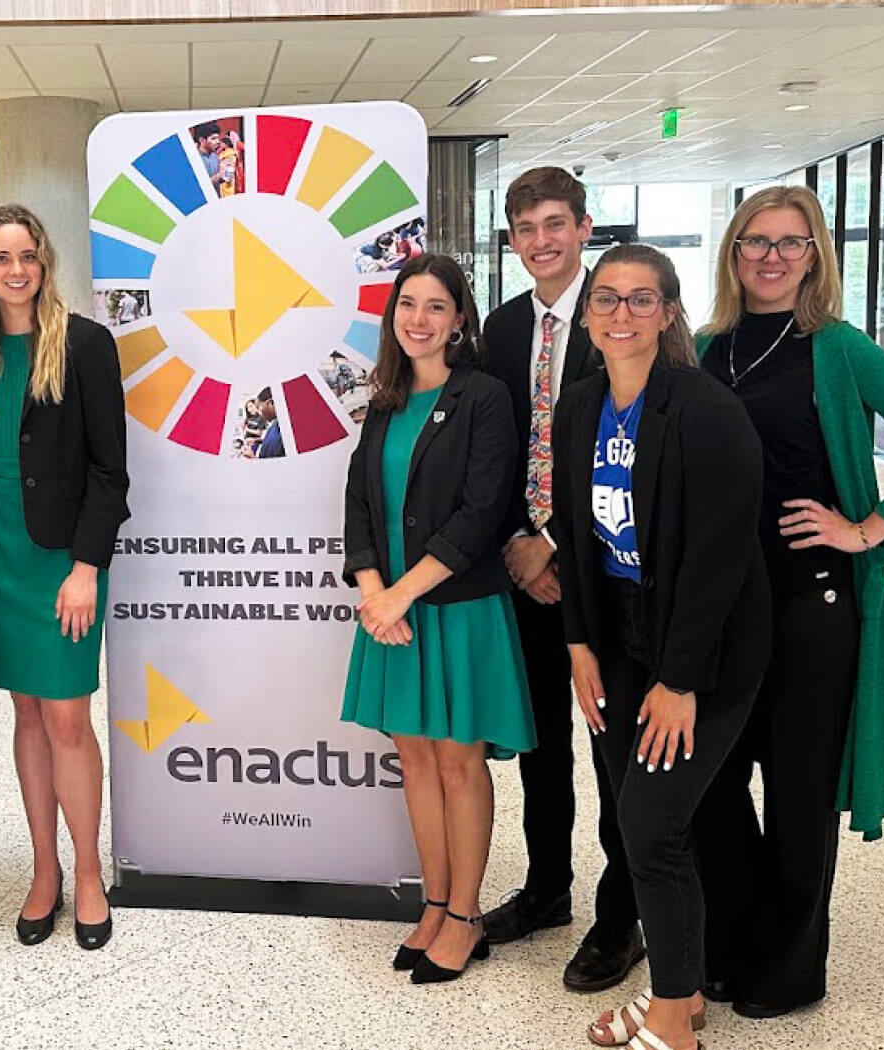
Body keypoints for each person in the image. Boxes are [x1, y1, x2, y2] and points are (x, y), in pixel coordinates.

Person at [692, 186, 884, 1019]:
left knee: (800, 794)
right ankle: (729, 943)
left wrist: (865, 528)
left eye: (791, 242)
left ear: (815, 255)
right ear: (733, 253)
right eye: (755, 242)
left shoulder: (839, 347)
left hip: (810, 605)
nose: (771, 257)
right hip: (719, 609)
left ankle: (785, 971)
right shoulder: (703, 348)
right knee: (709, 786)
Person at [540, 244, 768, 1050]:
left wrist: (679, 681)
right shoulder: (578, 406)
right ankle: (686, 992)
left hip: (702, 647)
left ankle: (674, 1017)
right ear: (589, 314)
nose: (622, 314)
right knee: (634, 819)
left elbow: (720, 559)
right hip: (619, 636)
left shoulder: (705, 411)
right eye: (607, 299)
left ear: (669, 313)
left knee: (651, 823)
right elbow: (572, 533)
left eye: (642, 300)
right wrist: (578, 645)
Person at [339, 254, 533, 985]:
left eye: (435, 306)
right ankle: (435, 900)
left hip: (450, 608)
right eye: (407, 305)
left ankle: (466, 915)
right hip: (389, 611)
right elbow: (359, 501)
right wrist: (370, 587)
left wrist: (399, 595)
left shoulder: (482, 396)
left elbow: (481, 511)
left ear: (460, 319)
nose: (418, 319)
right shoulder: (384, 401)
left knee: (459, 762)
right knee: (414, 759)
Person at [478, 166, 645, 994]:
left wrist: (555, 544)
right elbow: (491, 445)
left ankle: (623, 916)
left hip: (607, 572)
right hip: (524, 575)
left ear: (585, 228)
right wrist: (518, 539)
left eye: (555, 224)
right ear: (512, 243)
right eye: (526, 230)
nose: (541, 241)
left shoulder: (619, 317)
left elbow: (634, 449)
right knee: (540, 745)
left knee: (615, 751)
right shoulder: (502, 330)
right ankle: (547, 891)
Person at [0, 203, 129, 951]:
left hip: (63, 563)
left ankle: (88, 873)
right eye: (2, 259)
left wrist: (87, 566)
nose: (16, 270)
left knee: (66, 717)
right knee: (26, 715)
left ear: (44, 262)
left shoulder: (85, 344)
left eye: (27, 255)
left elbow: (109, 469)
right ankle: (43, 871)